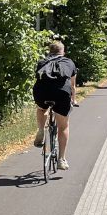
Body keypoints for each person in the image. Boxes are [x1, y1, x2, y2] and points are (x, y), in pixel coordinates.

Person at [32, 39, 77, 170]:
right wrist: (74, 100)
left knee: (41, 109)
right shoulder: (69, 62)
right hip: (61, 94)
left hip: (42, 93)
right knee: (63, 126)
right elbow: (72, 86)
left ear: (50, 52)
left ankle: (41, 130)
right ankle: (61, 159)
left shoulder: (42, 62)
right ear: (63, 52)